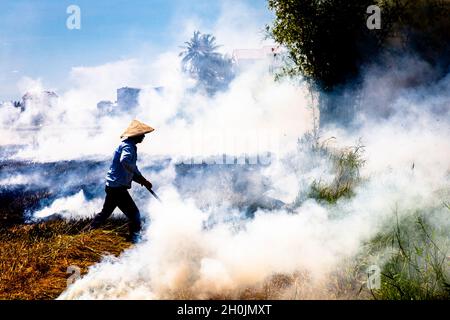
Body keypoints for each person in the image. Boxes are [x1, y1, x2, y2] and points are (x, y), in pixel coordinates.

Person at [90, 119, 154, 243]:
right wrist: (141, 179)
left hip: (113, 186)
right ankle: (135, 239)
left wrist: (142, 180)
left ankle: (90, 231)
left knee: (105, 213)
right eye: (142, 134)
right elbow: (125, 161)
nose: (144, 136)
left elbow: (130, 169)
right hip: (117, 188)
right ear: (136, 135)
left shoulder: (128, 146)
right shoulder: (128, 146)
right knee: (135, 215)